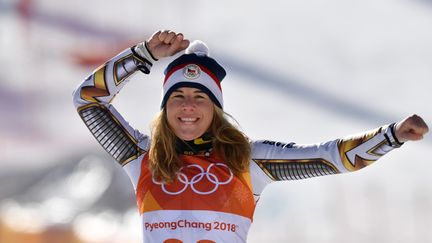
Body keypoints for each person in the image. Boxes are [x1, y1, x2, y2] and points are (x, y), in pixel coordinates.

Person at [72, 30, 429, 243]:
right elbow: (87, 100)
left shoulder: (248, 160)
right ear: (165, 109)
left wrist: (393, 135)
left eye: (200, 97)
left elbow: (331, 159)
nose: (188, 106)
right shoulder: (142, 157)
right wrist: (144, 54)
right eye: (178, 97)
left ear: (216, 109)